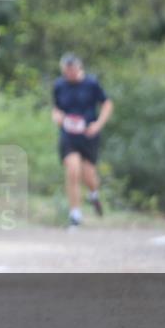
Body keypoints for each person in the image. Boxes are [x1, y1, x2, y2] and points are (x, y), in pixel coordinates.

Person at [52, 53, 114, 227]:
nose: (69, 74)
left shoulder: (92, 84)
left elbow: (107, 104)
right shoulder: (59, 85)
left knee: (89, 176)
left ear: (79, 69)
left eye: (72, 70)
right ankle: (75, 214)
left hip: (88, 135)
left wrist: (98, 124)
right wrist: (58, 117)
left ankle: (93, 194)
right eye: (66, 71)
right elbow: (56, 109)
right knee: (72, 171)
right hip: (68, 135)